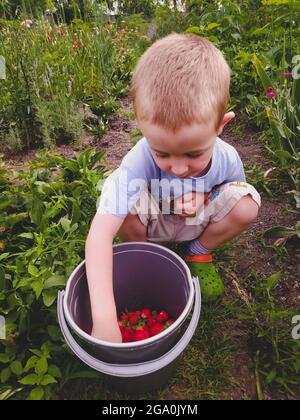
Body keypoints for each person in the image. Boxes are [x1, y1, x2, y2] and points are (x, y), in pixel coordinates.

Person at [85, 33, 261, 343]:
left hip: (198, 221)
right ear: (142, 127)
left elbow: (233, 188)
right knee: (123, 207)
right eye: (162, 153)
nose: (178, 168)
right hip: (156, 223)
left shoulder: (226, 157)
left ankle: (198, 252)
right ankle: (148, 255)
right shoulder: (138, 159)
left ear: (221, 126)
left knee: (248, 202)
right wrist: (103, 318)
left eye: (193, 154)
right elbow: (99, 234)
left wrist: (206, 197)